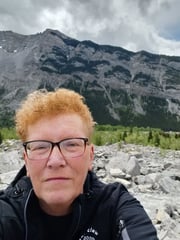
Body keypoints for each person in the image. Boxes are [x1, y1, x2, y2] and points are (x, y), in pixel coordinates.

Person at [0, 88, 158, 240]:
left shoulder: (115, 206)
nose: (55, 161)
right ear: (26, 160)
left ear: (90, 156)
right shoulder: (7, 213)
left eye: (71, 144)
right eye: (40, 146)